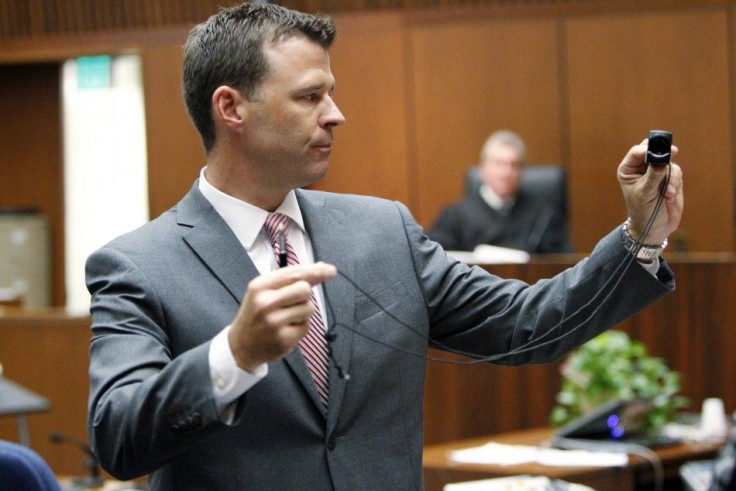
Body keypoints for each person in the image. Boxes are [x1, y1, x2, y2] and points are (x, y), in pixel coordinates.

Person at [85, 3, 683, 490]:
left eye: (332, 92)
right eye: (309, 96)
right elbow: (118, 439)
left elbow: (527, 326)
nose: (336, 115)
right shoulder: (139, 265)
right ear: (231, 108)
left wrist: (641, 238)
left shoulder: (381, 231)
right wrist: (234, 354)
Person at [428, 130, 574, 253]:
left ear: (522, 172)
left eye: (514, 165)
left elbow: (561, 263)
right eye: (498, 164)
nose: (506, 172)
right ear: (483, 168)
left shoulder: (543, 215)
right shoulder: (454, 216)